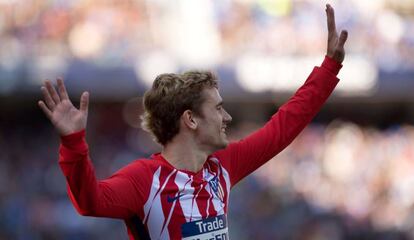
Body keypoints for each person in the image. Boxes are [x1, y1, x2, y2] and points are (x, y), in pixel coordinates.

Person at [38, 4, 347, 240]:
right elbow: (89, 202)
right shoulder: (145, 181)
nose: (227, 117)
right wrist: (73, 142)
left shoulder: (222, 166)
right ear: (191, 120)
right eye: (218, 108)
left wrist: (329, 67)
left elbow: (282, 128)